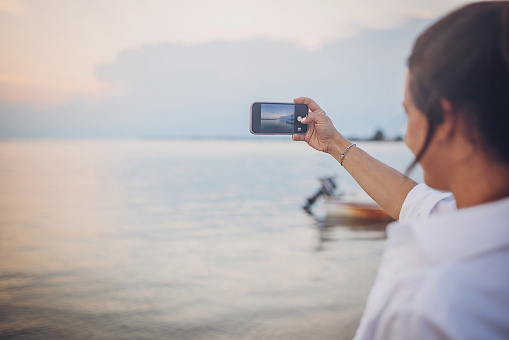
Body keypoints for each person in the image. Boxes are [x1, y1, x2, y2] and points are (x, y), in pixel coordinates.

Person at [293, 2, 509, 339]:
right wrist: (333, 142)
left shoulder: (433, 298)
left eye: (408, 114)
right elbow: (419, 205)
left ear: (446, 120)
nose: (407, 136)